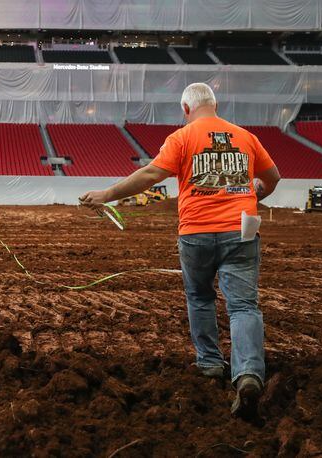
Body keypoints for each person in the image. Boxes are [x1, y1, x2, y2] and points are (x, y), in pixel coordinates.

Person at [79, 82, 281, 420]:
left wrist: (107, 193)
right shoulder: (245, 137)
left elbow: (150, 174)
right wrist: (253, 194)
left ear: (186, 109)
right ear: (215, 105)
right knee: (243, 306)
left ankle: (210, 364)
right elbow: (272, 177)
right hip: (240, 230)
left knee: (200, 297)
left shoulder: (182, 137)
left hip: (196, 232)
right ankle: (247, 373)